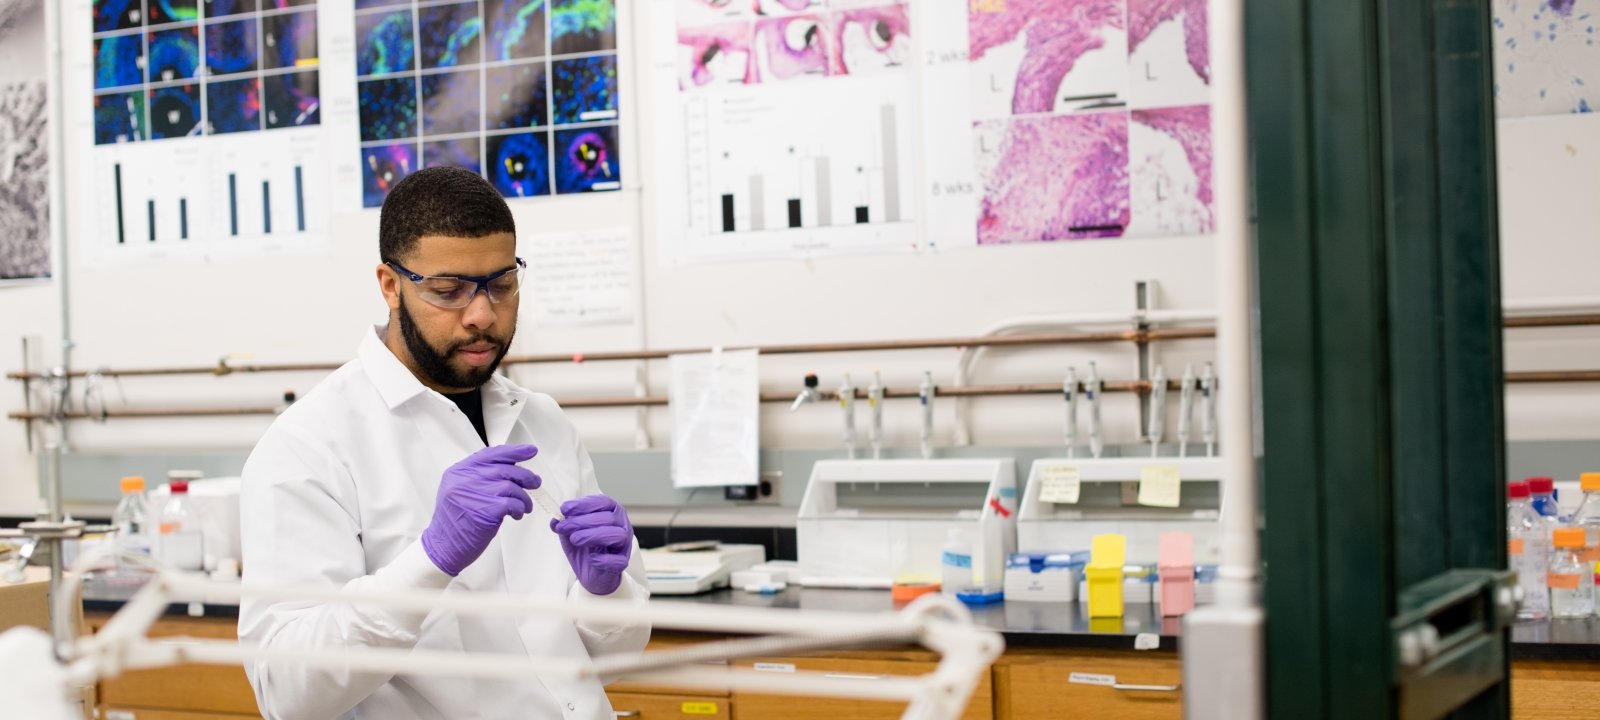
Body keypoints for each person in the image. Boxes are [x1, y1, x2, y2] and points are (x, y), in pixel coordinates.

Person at [238, 167, 648, 720]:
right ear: (390, 284)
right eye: (448, 290)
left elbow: (609, 661)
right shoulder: (310, 445)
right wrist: (429, 561)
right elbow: (286, 692)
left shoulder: (545, 424)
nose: (482, 315)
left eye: (501, 285)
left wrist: (606, 595)